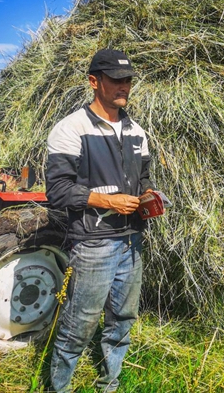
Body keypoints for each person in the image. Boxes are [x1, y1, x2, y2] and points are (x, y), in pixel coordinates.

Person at [46, 49, 155, 392]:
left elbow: (145, 179)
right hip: (94, 243)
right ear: (95, 82)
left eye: (128, 80)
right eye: (116, 79)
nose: (124, 86)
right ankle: (57, 387)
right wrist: (107, 201)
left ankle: (109, 383)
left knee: (122, 319)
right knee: (79, 323)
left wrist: (150, 197)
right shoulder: (71, 129)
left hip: (131, 242)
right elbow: (58, 191)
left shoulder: (137, 131)